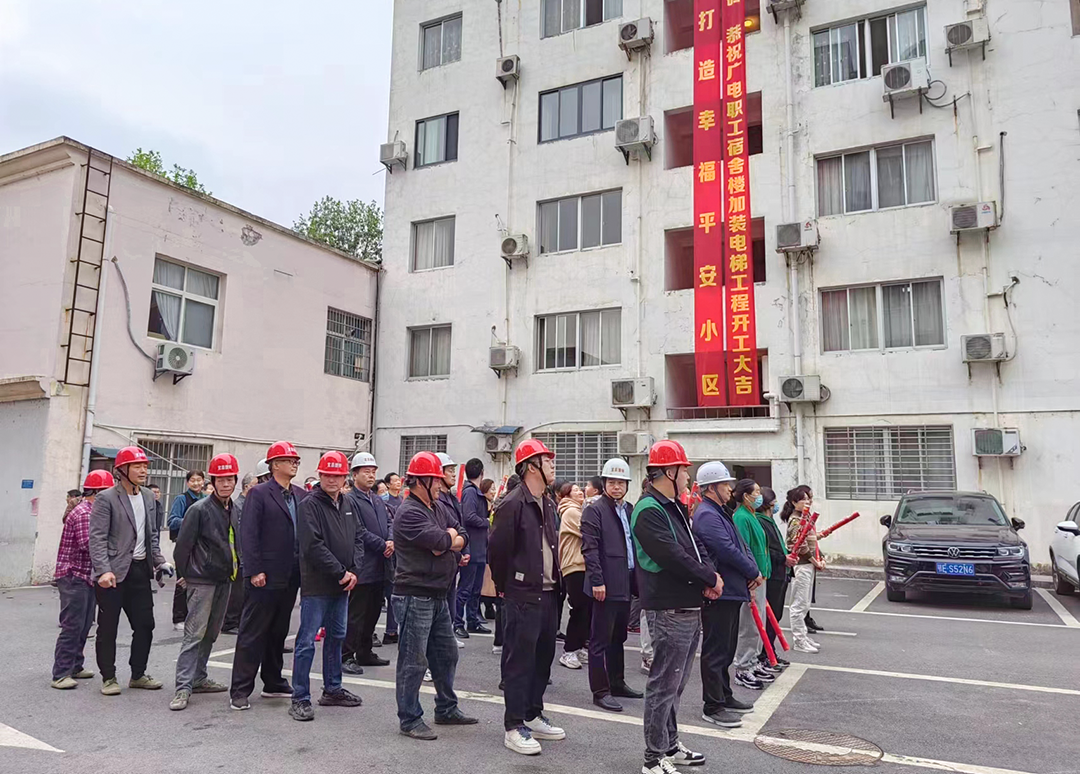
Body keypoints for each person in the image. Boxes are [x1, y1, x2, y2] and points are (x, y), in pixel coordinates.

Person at [631, 440, 719, 774]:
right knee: (663, 685)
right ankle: (653, 758)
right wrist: (709, 577)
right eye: (684, 470)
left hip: (686, 604)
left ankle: (669, 744)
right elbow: (673, 556)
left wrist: (709, 576)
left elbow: (695, 546)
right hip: (667, 607)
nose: (687, 476)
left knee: (676, 685)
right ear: (669, 471)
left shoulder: (673, 506)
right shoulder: (648, 509)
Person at [392, 451, 477, 739]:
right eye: (436, 480)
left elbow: (460, 533)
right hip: (416, 595)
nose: (441, 485)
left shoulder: (437, 506)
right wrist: (448, 539)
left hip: (439, 593)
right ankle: (409, 718)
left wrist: (450, 539)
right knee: (413, 661)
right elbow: (441, 541)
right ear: (421, 481)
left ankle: (446, 708)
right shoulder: (410, 512)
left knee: (446, 654)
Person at [490, 439, 566, 756]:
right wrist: (505, 586)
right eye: (547, 461)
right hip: (522, 594)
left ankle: (533, 714)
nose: (553, 466)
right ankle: (514, 725)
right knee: (519, 661)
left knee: (543, 658)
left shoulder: (547, 501)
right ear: (531, 466)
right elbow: (498, 550)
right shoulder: (513, 503)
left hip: (548, 593)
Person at [89, 446, 172, 696]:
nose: (143, 470)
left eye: (145, 466)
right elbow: (97, 538)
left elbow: (152, 534)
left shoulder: (147, 496)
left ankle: (138, 674)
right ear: (122, 470)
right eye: (137, 466)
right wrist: (103, 570)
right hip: (113, 574)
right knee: (108, 628)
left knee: (145, 625)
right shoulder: (106, 498)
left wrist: (159, 561)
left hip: (139, 570)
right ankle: (109, 677)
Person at [229, 441, 306, 711]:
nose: (294, 464)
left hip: (291, 574)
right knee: (253, 632)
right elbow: (248, 534)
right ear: (274, 465)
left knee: (279, 630)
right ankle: (240, 689)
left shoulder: (299, 494)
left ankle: (273, 682)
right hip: (265, 575)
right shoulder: (259, 494)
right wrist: (254, 570)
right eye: (288, 460)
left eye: (296, 460)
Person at [289, 451, 365, 721]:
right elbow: (312, 546)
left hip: (343, 585)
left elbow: (358, 537)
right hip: (318, 585)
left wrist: (354, 570)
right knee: (307, 641)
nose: (332, 480)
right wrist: (340, 572)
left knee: (337, 637)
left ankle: (333, 689)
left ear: (345, 478)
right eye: (327, 475)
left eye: (337, 475)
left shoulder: (348, 503)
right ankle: (300, 697)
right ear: (320, 475)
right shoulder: (309, 505)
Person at [691, 462, 761, 728]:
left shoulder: (720, 511)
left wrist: (752, 569)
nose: (730, 489)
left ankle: (724, 694)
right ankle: (713, 705)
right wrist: (752, 571)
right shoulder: (707, 515)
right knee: (716, 650)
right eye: (724, 484)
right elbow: (726, 550)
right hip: (720, 592)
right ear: (711, 488)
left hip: (732, 590)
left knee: (727, 648)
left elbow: (741, 545)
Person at [170, 454, 241, 710]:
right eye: (221, 479)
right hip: (201, 580)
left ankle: (199, 678)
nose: (226, 484)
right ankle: (183, 687)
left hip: (225, 579)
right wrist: (185, 575)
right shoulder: (198, 510)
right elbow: (182, 547)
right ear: (213, 481)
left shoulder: (235, 509)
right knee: (194, 635)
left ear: (235, 481)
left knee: (211, 634)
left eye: (230, 479)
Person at [581, 458, 643, 712]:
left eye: (621, 483)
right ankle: (600, 691)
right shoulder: (594, 510)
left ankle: (617, 683)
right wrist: (597, 581)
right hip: (604, 584)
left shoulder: (629, 509)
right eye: (612, 482)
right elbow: (590, 548)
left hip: (625, 581)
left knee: (619, 636)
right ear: (604, 483)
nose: (617, 487)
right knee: (600, 639)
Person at [51, 470, 114, 689]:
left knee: (85, 623)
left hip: (85, 576)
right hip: (73, 576)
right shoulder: (85, 514)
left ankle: (75, 666)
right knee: (73, 625)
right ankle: (61, 674)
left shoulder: (92, 511)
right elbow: (90, 545)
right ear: (97, 493)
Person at [343, 452, 394, 673]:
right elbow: (358, 530)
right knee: (356, 614)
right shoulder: (350, 500)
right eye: (366, 472)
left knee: (373, 612)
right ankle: (346, 655)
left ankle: (365, 651)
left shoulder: (376, 499)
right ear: (355, 475)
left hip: (381, 565)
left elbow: (390, 522)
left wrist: (391, 539)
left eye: (373, 472)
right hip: (363, 564)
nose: (371, 476)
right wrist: (383, 544)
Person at [729, 479, 776, 690]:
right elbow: (743, 549)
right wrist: (750, 575)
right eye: (755, 492)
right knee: (749, 625)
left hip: (760, 576)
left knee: (758, 624)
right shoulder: (741, 517)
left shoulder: (752, 515)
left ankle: (753, 661)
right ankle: (743, 666)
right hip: (751, 579)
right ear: (745, 495)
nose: (759, 496)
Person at [433, 453, 470, 643]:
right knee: (443, 600)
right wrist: (456, 550)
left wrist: (462, 551)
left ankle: (447, 634)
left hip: (453, 555)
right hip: (443, 559)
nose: (454, 474)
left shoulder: (451, 498)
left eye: (454, 470)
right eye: (449, 470)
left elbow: (460, 529)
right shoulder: (437, 501)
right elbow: (442, 535)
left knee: (450, 597)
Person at [756, 487, 792, 669]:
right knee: (769, 618)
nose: (777, 504)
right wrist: (783, 558)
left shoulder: (769, 521)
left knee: (775, 616)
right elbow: (766, 550)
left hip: (780, 573)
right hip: (772, 574)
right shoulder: (760, 522)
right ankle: (765, 654)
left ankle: (771, 652)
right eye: (774, 501)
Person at [784, 487, 824, 654]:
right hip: (801, 565)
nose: (808, 502)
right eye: (804, 499)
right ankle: (799, 640)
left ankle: (803, 636)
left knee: (805, 603)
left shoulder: (805, 517)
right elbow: (798, 545)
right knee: (799, 604)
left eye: (809, 499)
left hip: (809, 564)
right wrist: (815, 561)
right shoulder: (795, 520)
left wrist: (820, 558)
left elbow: (812, 541)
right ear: (794, 502)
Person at [455, 458, 491, 636]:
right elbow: (468, 516)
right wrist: (487, 521)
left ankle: (472, 621)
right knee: (465, 588)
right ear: (482, 473)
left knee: (476, 589)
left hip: (480, 548)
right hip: (472, 547)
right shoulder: (470, 492)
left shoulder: (476, 492)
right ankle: (457, 623)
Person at [557, 481, 590, 671]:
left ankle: (577, 647)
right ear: (567, 495)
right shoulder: (571, 511)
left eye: (580, 489)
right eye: (575, 490)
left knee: (585, 609)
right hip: (574, 565)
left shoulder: (578, 510)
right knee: (579, 609)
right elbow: (588, 532)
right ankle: (568, 651)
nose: (580, 492)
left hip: (581, 565)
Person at [168, 470, 205, 630]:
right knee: (182, 581)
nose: (196, 483)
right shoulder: (182, 499)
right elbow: (172, 521)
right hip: (184, 546)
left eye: (199, 480)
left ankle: (194, 617)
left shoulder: (206, 498)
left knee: (200, 583)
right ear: (187, 482)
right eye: (193, 480)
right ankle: (178, 618)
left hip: (201, 547)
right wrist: (191, 520)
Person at [382, 470, 405, 644]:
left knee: (397, 591)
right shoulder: (384, 501)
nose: (398, 482)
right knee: (390, 591)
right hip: (388, 549)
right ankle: (389, 631)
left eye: (399, 480)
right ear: (388, 484)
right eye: (395, 480)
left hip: (401, 549)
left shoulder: (403, 501)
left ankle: (393, 629)